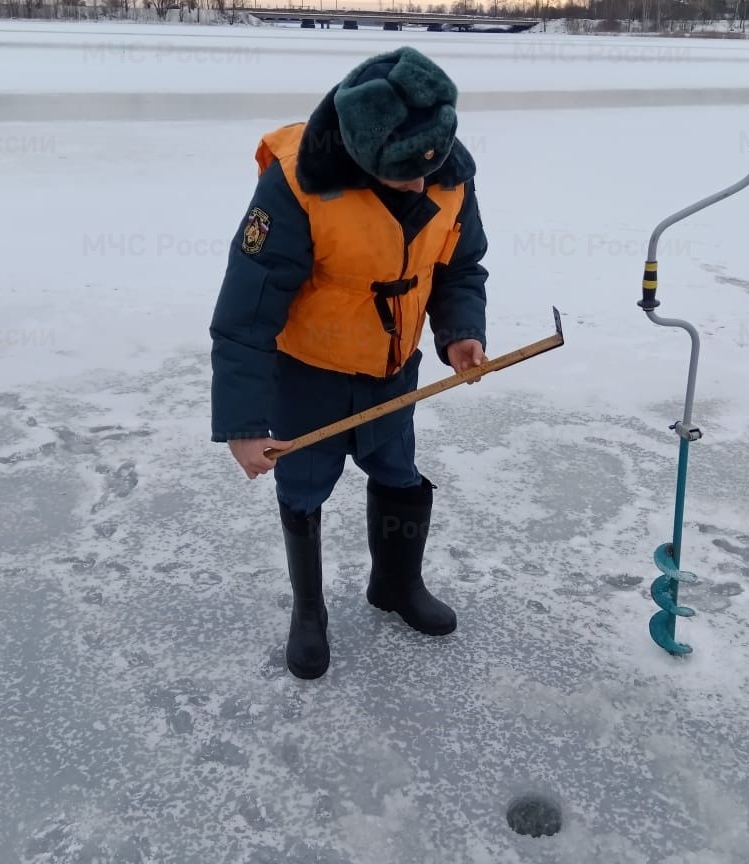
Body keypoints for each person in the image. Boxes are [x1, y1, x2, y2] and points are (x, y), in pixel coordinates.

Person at [209, 46, 488, 680]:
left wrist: (460, 334)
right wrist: (244, 424)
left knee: (399, 474)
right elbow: (246, 313)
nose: (421, 186)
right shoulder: (296, 184)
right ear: (361, 154)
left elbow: (460, 266)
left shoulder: (447, 169)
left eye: (429, 168)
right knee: (303, 490)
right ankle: (309, 614)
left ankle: (394, 585)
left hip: (394, 371)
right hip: (309, 377)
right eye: (401, 175)